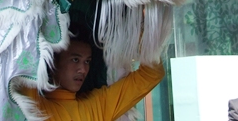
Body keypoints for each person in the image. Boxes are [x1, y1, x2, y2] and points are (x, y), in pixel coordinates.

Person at [19, 23, 165, 120]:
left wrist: (138, 30)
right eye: (75, 60)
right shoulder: (34, 106)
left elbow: (151, 74)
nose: (83, 70)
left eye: (87, 61)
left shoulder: (97, 105)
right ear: (53, 62)